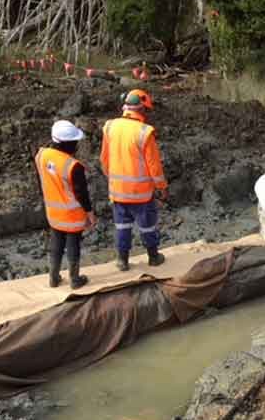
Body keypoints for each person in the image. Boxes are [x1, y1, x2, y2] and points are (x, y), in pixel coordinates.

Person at [100, 88, 168, 271]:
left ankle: (122, 261)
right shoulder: (145, 132)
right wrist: (161, 186)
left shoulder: (110, 127)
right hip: (141, 194)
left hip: (118, 192)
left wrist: (113, 180)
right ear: (143, 109)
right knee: (147, 226)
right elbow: (154, 165)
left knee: (122, 226)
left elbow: (104, 160)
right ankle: (153, 257)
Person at [35, 120, 96, 289]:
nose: (76, 145)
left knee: (56, 242)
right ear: (68, 144)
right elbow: (81, 194)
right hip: (72, 215)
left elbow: (40, 180)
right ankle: (75, 279)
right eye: (75, 142)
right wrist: (90, 213)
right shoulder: (73, 166)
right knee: (72, 245)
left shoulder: (41, 156)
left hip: (53, 212)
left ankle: (53, 278)